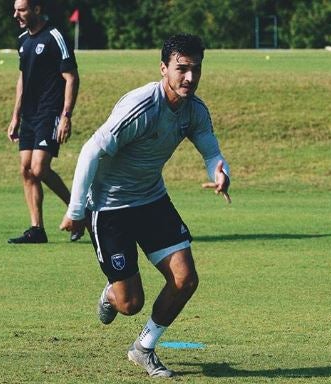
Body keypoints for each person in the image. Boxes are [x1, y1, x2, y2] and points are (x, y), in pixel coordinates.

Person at [59, 34, 231, 377]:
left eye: (196, 70)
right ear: (164, 68)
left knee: (186, 279)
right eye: (182, 69)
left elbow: (211, 151)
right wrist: (76, 210)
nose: (190, 78)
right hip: (109, 207)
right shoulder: (141, 106)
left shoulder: (194, 110)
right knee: (129, 303)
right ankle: (112, 293)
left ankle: (144, 348)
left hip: (151, 199)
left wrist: (220, 171)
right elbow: (91, 150)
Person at [7, 0, 82, 244]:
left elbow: (71, 77)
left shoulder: (54, 36)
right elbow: (22, 79)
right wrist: (15, 116)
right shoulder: (23, 41)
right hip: (28, 115)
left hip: (49, 112)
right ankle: (37, 229)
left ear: (37, 9)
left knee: (39, 168)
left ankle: (78, 211)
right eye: (15, 9)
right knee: (26, 170)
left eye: (21, 9)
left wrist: (66, 116)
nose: (16, 14)